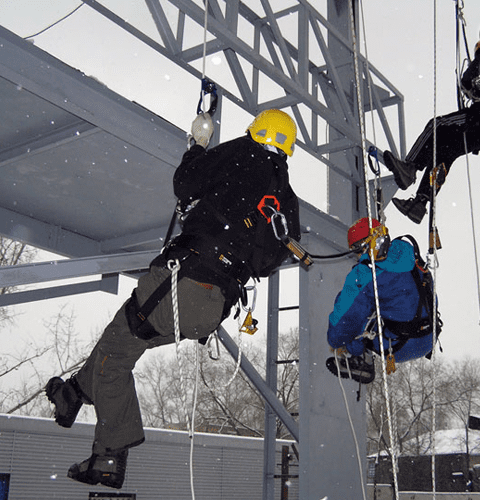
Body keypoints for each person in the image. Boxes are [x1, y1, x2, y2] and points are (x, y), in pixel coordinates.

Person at [45, 109, 301, 489]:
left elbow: (186, 182)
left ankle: (109, 456)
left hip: (182, 282)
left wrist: (198, 144)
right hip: (211, 307)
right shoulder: (285, 199)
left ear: (256, 130)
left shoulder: (242, 153)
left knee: (114, 357)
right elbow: (266, 263)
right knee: (121, 342)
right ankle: (75, 392)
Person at [383, 37, 480, 224]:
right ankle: (420, 203)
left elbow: (468, 83)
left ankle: (410, 167)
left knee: (436, 125)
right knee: (445, 150)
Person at [326, 218, 441, 383]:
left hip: (400, 346)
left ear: (362, 247)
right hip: (429, 337)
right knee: (387, 301)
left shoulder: (364, 273)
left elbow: (345, 319)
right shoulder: (411, 254)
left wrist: (335, 341)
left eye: (356, 251)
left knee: (357, 313)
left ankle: (359, 358)